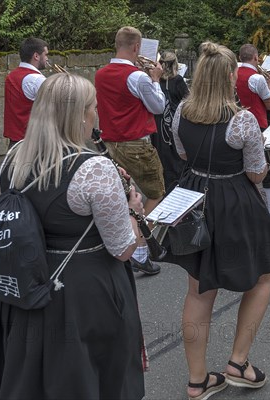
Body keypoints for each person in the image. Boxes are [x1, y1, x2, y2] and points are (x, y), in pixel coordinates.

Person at [0, 73, 147, 399]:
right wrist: (134, 208)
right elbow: (122, 249)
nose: (96, 113)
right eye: (93, 106)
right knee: (83, 378)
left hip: (24, 282)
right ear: (79, 115)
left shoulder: (14, 156)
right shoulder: (94, 168)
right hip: (80, 293)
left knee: (29, 376)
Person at [170, 42, 270, 400]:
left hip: (196, 197)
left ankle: (198, 381)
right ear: (232, 77)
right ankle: (237, 362)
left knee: (199, 288)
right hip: (234, 202)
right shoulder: (242, 120)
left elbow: (184, 154)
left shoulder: (181, 111)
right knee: (263, 274)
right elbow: (255, 174)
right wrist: (264, 153)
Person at [95, 26, 165, 275]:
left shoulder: (101, 73)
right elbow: (158, 107)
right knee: (156, 194)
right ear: (136, 48)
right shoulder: (139, 77)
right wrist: (155, 79)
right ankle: (140, 250)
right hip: (136, 143)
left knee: (124, 197)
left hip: (108, 143)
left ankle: (121, 244)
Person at [236, 43, 270, 224]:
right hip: (258, 126)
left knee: (242, 168)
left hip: (237, 125)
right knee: (266, 167)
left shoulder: (233, 73)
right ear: (256, 58)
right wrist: (268, 83)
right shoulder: (257, 78)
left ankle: (245, 209)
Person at [152, 50, 190, 191]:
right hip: (173, 125)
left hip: (158, 125)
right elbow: (187, 101)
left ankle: (165, 187)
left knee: (163, 157)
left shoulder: (155, 80)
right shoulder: (177, 80)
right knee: (176, 158)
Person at [3, 37, 48, 148]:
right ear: (36, 56)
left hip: (15, 141)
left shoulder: (11, 76)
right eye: (46, 54)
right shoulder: (37, 79)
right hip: (33, 143)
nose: (47, 58)